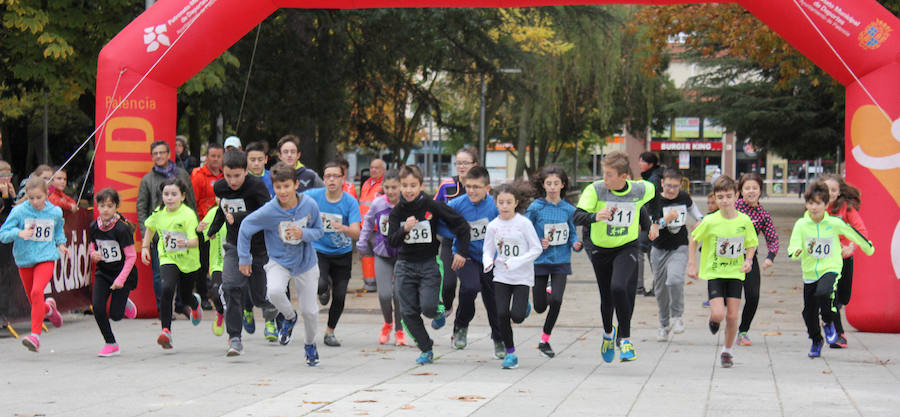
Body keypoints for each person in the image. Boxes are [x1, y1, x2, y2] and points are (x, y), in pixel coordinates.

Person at [237, 162, 325, 366]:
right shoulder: (269, 210)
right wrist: (243, 258)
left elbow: (319, 231)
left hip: (306, 262)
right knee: (274, 291)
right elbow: (246, 227)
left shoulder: (309, 204)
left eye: (287, 186)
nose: (283, 191)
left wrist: (303, 233)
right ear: (274, 188)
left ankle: (310, 345)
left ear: (295, 185)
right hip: (279, 261)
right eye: (278, 187)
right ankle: (289, 316)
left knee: (310, 311)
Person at [574, 151, 655, 363]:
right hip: (600, 249)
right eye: (604, 173)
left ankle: (625, 339)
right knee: (607, 297)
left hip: (627, 246)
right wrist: (594, 216)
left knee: (619, 288)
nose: (605, 178)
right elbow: (577, 216)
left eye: (610, 175)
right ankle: (608, 334)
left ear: (624, 177)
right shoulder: (596, 189)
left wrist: (650, 224)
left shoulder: (640, 188)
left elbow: (649, 201)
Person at [388, 165, 470, 365]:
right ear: (400, 186)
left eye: (413, 185)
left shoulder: (431, 205)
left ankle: (439, 310)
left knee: (428, 308)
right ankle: (426, 348)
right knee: (407, 313)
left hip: (428, 265)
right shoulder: (397, 212)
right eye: (405, 185)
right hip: (405, 266)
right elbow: (391, 241)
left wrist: (461, 251)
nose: (408, 190)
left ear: (421, 185)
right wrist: (404, 229)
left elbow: (461, 225)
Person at [787, 181, 874, 358]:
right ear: (806, 204)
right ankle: (816, 339)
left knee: (824, 293)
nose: (813, 207)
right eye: (810, 203)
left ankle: (828, 322)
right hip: (810, 273)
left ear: (826, 205)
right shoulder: (801, 225)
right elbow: (793, 246)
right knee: (808, 312)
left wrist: (868, 247)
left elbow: (855, 234)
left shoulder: (835, 223)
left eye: (818, 203)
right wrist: (796, 252)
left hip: (831, 267)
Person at [208, 149, 280, 354]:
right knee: (231, 287)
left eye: (237, 176)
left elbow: (267, 215)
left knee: (258, 297)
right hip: (234, 246)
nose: (232, 181)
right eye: (228, 175)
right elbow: (223, 211)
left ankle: (270, 305)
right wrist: (213, 230)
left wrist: (239, 217)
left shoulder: (256, 187)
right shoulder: (221, 188)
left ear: (246, 171)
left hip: (258, 249)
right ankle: (235, 338)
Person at [687, 175, 758, 368]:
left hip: (735, 274)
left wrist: (749, 260)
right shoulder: (710, 221)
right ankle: (713, 319)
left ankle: (727, 351)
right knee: (719, 314)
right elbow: (693, 239)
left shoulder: (745, 220)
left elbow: (751, 243)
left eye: (728, 196)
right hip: (716, 273)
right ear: (715, 199)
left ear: (736, 197)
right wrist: (692, 263)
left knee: (733, 316)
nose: (724, 201)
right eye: (720, 197)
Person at [438, 166, 505, 358]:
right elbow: (441, 223)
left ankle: (499, 339)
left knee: (493, 299)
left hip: (490, 259)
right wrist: (458, 232)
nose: (472, 191)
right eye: (468, 186)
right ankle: (461, 325)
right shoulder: (457, 204)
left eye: (477, 187)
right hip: (465, 256)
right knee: (470, 288)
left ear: (487, 188)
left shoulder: (494, 206)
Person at [0, 176, 66, 352]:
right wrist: (19, 232)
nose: (35, 202)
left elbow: (58, 229)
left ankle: (35, 337)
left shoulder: (55, 212)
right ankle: (49, 309)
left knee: (37, 291)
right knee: (34, 300)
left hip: (46, 257)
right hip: (25, 260)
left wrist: (61, 243)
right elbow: (3, 233)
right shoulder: (19, 212)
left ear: (47, 194)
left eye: (39, 197)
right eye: (31, 198)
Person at [483, 182, 543, 369]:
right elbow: (487, 250)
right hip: (501, 275)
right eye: (501, 202)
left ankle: (524, 306)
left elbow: (536, 249)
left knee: (516, 316)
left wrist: (518, 261)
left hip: (522, 277)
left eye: (509, 202)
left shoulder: (524, 224)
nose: (505, 206)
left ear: (516, 203)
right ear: (496, 203)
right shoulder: (493, 226)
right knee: (501, 314)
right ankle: (510, 353)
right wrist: (488, 262)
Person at [525, 165, 582, 358]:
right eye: (548, 183)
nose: (552, 187)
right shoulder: (535, 208)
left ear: (562, 185)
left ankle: (544, 340)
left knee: (557, 300)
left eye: (556, 183)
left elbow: (573, 234)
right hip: (540, 261)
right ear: (543, 185)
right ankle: (547, 289)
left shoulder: (568, 209)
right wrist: (536, 241)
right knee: (540, 307)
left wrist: (576, 244)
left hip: (561, 261)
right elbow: (524, 229)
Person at [140, 177, 203, 350]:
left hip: (188, 260)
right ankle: (166, 331)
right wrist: (145, 247)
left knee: (185, 296)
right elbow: (150, 227)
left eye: (174, 194)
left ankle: (194, 304)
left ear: (182, 196)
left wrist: (186, 243)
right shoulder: (159, 213)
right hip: (168, 258)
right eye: (166, 194)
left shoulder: (188, 214)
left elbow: (195, 241)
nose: (169, 198)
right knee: (166, 288)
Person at [136, 140, 196, 314]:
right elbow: (141, 208)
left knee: (182, 272)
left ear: (169, 154)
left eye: (162, 152)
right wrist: (145, 236)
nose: (159, 156)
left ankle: (180, 304)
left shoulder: (182, 175)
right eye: (155, 153)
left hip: (182, 233)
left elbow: (190, 200)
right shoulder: (148, 180)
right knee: (159, 275)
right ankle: (164, 309)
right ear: (152, 157)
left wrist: (196, 228)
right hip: (159, 236)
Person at [308, 162, 362, 348]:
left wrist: (344, 229)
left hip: (342, 254)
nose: (331, 179)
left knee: (339, 296)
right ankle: (323, 290)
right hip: (319, 250)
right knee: (320, 283)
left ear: (342, 179)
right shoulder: (313, 197)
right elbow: (292, 200)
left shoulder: (349, 202)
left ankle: (330, 332)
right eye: (328, 176)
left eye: (335, 176)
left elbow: (356, 232)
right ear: (323, 179)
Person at [649, 169, 703, 342]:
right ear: (662, 183)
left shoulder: (684, 198)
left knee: (675, 279)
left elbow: (695, 212)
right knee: (660, 290)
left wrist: (700, 221)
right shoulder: (655, 201)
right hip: (658, 249)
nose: (671, 190)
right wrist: (665, 220)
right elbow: (652, 228)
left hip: (679, 246)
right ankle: (663, 325)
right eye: (668, 186)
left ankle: (677, 316)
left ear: (681, 185)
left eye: (675, 186)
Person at [432, 146, 479, 329]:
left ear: (474, 164)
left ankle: (461, 325)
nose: (461, 166)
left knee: (469, 289)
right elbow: (433, 209)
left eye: (465, 163)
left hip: (472, 244)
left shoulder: (478, 187)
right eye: (458, 163)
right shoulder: (447, 186)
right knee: (448, 283)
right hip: (450, 242)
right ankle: (448, 305)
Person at [88, 188, 139, 357]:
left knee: (116, 315)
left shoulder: (121, 229)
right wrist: (93, 253)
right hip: (103, 272)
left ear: (116, 207)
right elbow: (92, 244)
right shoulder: (94, 226)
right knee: (98, 307)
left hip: (122, 273)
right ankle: (110, 343)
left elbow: (131, 257)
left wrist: (121, 280)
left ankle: (123, 303)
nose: (105, 209)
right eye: (102, 205)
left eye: (110, 206)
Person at [358, 169, 406, 345]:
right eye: (387, 187)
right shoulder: (378, 204)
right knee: (385, 294)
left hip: (402, 255)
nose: (391, 191)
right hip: (382, 253)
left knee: (399, 294)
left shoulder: (407, 204)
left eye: (395, 187)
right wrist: (362, 243)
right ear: (383, 187)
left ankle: (400, 330)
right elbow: (368, 224)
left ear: (401, 187)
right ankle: (388, 323)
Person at [822, 174, 868, 349]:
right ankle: (838, 334)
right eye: (827, 190)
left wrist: (852, 246)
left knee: (844, 297)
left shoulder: (847, 209)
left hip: (845, 258)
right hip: (826, 262)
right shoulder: (817, 209)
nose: (830, 193)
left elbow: (860, 230)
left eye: (833, 190)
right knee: (831, 297)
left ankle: (828, 313)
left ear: (839, 192)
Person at [734, 173, 779, 347]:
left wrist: (770, 256)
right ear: (740, 191)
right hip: (728, 258)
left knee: (753, 296)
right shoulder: (732, 207)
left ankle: (743, 331)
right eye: (747, 188)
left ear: (760, 191)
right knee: (729, 297)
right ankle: (717, 317)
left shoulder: (763, 214)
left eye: (755, 188)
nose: (751, 191)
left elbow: (773, 238)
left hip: (750, 259)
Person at [192, 143, 225, 311]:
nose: (216, 159)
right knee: (203, 263)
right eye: (213, 156)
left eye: (219, 156)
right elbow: (194, 201)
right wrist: (198, 223)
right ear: (207, 157)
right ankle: (204, 296)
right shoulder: (199, 176)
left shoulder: (225, 176)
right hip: (205, 225)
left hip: (223, 226)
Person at [637, 152, 664, 296]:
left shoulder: (653, 179)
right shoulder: (655, 176)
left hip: (651, 221)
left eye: (642, 161)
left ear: (650, 164)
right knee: (651, 253)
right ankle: (655, 286)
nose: (639, 163)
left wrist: (647, 220)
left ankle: (640, 286)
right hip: (654, 221)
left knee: (642, 251)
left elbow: (652, 201)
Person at [358, 158, 386, 292]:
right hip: (365, 228)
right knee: (366, 256)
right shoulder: (366, 184)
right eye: (371, 167)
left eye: (377, 168)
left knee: (382, 256)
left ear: (383, 170)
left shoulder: (385, 185)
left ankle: (386, 284)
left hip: (378, 229)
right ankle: (369, 284)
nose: (373, 170)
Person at [200, 203, 226, 337]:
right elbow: (201, 233)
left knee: (236, 298)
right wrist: (199, 230)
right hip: (218, 264)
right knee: (216, 294)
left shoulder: (244, 209)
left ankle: (234, 336)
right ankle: (220, 313)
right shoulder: (214, 212)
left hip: (239, 263)